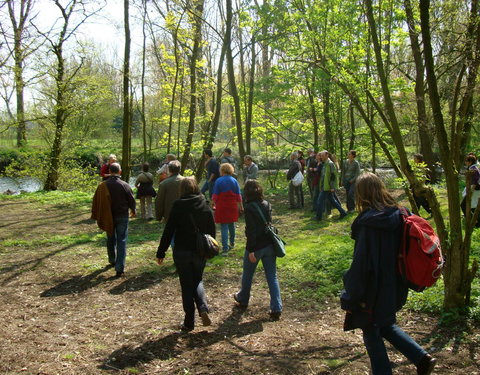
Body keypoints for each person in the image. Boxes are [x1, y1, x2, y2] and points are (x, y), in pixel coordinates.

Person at [340, 172, 436, 375]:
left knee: (371, 330)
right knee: (385, 325)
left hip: (373, 290)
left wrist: (350, 296)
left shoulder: (368, 224)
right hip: (397, 285)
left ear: (361, 194)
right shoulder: (401, 213)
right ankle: (422, 358)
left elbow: (361, 265)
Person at [156, 177, 216, 332]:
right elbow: (212, 230)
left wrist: (161, 252)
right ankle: (202, 307)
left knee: (186, 284)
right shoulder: (205, 204)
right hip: (199, 250)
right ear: (196, 187)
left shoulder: (178, 205)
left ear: (181, 189)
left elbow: (168, 230)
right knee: (197, 279)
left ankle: (189, 322)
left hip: (182, 250)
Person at [234, 180, 282, 321]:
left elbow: (251, 231)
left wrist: (252, 250)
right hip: (269, 245)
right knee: (272, 276)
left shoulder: (249, 208)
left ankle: (243, 299)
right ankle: (276, 307)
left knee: (248, 274)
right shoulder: (267, 204)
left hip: (256, 246)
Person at [92, 162, 136, 277]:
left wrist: (97, 214)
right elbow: (131, 199)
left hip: (108, 216)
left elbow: (96, 201)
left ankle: (112, 259)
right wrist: (133, 210)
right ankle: (119, 267)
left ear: (109, 172)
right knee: (121, 240)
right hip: (122, 216)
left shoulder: (102, 185)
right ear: (120, 172)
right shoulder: (125, 185)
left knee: (110, 237)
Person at [212, 163, 244, 254]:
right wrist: (241, 207)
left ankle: (225, 248)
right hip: (232, 206)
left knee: (224, 227)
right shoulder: (234, 181)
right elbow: (238, 196)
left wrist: (212, 203)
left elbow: (215, 195)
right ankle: (232, 243)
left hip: (222, 206)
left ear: (222, 171)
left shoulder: (218, 181)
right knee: (232, 225)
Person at [314, 151, 346, 221]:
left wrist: (332, 187)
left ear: (327, 155)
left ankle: (318, 217)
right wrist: (321, 185)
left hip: (328, 187)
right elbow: (323, 176)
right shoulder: (325, 164)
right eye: (321, 156)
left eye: (322, 155)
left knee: (319, 201)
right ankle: (343, 213)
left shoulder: (330, 164)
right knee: (333, 201)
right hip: (324, 186)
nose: (321, 157)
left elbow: (333, 176)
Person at [461, 153, 480, 228]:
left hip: (474, 191)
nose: (465, 162)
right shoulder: (473, 168)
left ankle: (474, 222)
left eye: (466, 161)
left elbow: (475, 182)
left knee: (463, 205)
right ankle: (476, 223)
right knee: (474, 207)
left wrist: (470, 193)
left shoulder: (473, 169)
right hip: (475, 191)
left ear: (470, 161)